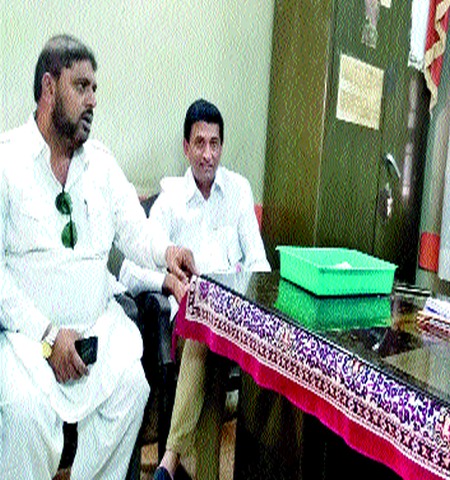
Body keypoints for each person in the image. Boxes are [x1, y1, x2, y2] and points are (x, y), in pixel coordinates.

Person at [0, 35, 196, 479]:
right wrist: (48, 337)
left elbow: (134, 230)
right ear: (49, 88)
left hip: (97, 330)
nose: (92, 100)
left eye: (94, 89)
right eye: (81, 86)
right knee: (26, 412)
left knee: (131, 386)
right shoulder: (7, 162)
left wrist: (168, 252)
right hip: (29, 341)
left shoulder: (101, 165)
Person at [118, 99, 270, 480]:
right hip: (189, 328)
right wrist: (168, 281)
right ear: (185, 147)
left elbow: (259, 263)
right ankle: (186, 466)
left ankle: (171, 460)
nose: (208, 154)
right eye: (199, 143)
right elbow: (129, 271)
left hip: (235, 324)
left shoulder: (238, 191)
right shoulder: (170, 200)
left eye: (214, 143)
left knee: (221, 342)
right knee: (206, 337)